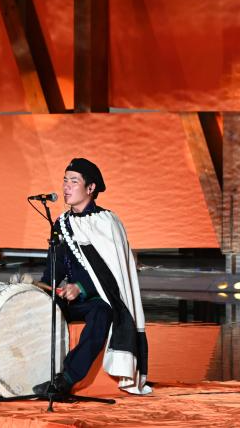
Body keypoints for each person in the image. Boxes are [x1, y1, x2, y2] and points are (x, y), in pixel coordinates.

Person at [34, 157, 151, 398]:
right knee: (37, 308)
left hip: (98, 299)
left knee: (101, 313)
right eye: (65, 181)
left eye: (73, 181)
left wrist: (81, 287)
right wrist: (44, 289)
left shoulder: (107, 221)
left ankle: (65, 380)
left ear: (90, 188)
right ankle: (28, 376)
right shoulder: (61, 223)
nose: (66, 187)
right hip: (69, 299)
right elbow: (55, 269)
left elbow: (113, 272)